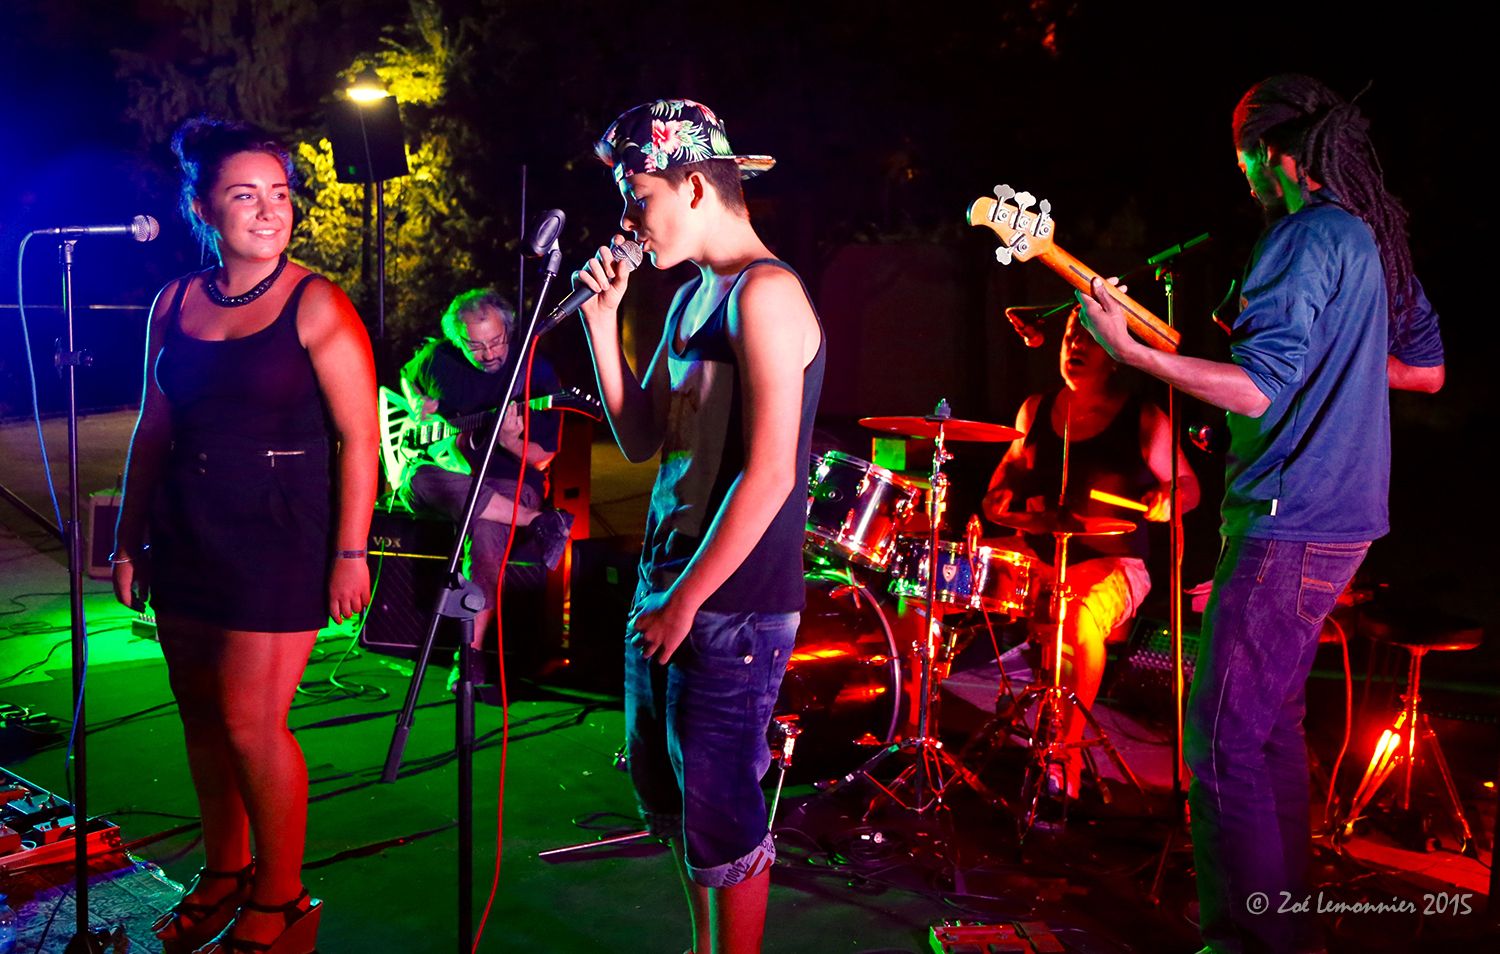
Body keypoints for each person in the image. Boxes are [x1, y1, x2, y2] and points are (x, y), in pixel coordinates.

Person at [1077, 74, 1444, 954]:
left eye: (1243, 157)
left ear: (1273, 154)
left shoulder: (1299, 238)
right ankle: (1289, 934)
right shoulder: (1369, 237)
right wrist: (1339, 364)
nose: (1241, 176)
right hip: (1348, 517)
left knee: (1217, 745)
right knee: (1268, 725)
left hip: (1291, 519)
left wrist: (1130, 352)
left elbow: (1254, 388)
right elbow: (1425, 369)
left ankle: (1248, 943)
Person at [112, 117, 378, 954]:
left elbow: (360, 436)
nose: (269, 212)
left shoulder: (317, 302)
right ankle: (224, 872)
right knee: (199, 717)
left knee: (250, 722)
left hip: (279, 535)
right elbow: (153, 427)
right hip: (186, 531)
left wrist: (350, 550)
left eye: (279, 196)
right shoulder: (174, 302)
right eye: (244, 195)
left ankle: (283, 897)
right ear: (203, 207)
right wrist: (127, 538)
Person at [575, 99, 824, 954]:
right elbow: (642, 437)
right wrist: (604, 325)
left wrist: (683, 603)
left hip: (731, 604)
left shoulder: (768, 293)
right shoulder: (691, 297)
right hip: (671, 581)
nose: (628, 218)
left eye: (637, 194)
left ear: (691, 184)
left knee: (722, 813)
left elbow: (772, 473)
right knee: (675, 804)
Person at [980, 306, 1199, 797]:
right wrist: (998, 496)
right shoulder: (1035, 409)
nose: (1075, 346)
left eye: (1090, 339)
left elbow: (1188, 484)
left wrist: (1171, 498)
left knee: (1074, 616)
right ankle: (911, 728)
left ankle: (1065, 757)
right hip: (1037, 555)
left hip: (1115, 564)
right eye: (1070, 336)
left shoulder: (1143, 416)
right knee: (930, 577)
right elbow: (1009, 471)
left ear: (1115, 355)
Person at [400, 289, 574, 687]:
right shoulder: (438, 360)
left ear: (508, 331)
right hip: (452, 475)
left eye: (496, 342)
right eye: (475, 346)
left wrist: (510, 441)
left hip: (513, 479)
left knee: (485, 532)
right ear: (458, 340)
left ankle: (471, 655)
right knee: (417, 478)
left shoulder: (536, 371)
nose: (489, 354)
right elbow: (408, 380)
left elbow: (544, 455)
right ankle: (539, 521)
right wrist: (418, 405)